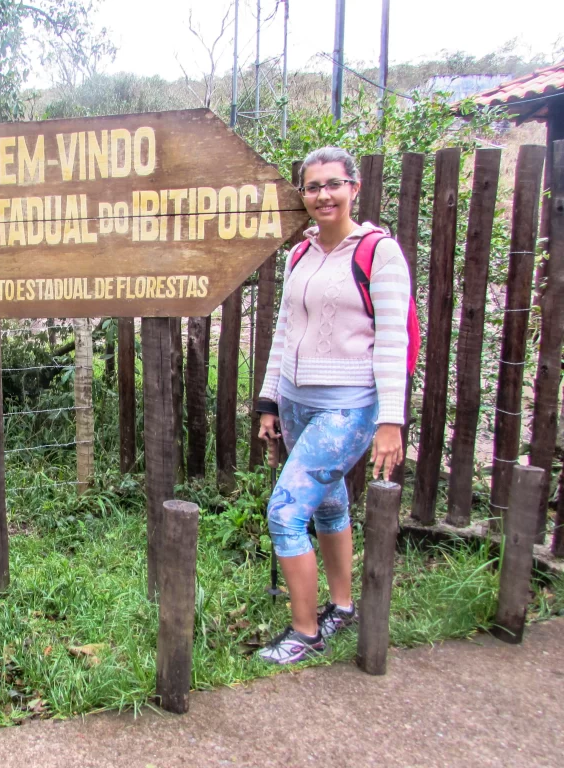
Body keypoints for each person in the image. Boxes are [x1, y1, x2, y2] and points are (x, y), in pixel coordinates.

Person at [253, 146, 410, 664]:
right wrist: (269, 400)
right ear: (304, 193)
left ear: (354, 188)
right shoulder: (300, 255)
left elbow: (392, 341)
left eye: (333, 184)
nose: (323, 195)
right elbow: (284, 330)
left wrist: (390, 420)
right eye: (314, 186)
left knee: (284, 512)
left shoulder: (379, 253)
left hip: (347, 408)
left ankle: (306, 632)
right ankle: (341, 606)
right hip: (297, 401)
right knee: (329, 502)